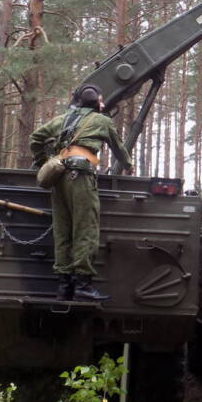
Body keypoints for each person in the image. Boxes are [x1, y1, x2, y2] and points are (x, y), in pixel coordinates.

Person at [30, 84, 133, 302]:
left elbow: (35, 139)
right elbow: (119, 149)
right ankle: (83, 285)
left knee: (63, 230)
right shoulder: (102, 121)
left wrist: (44, 163)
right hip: (81, 177)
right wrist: (128, 165)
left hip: (58, 178)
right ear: (96, 101)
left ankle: (63, 286)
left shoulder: (61, 120)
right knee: (85, 229)